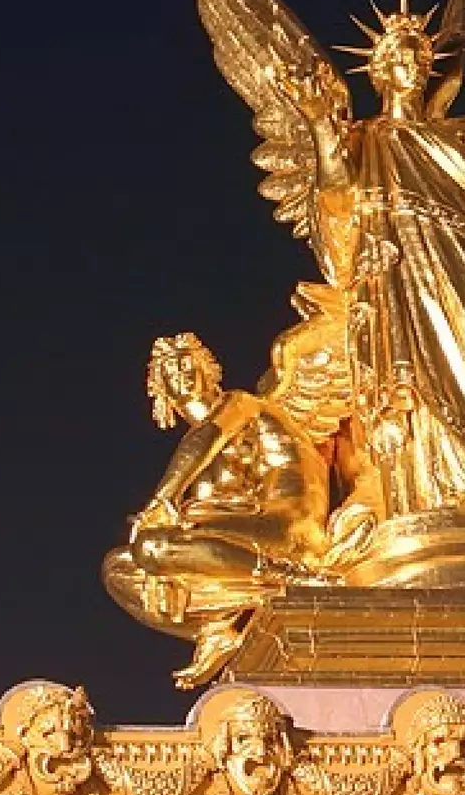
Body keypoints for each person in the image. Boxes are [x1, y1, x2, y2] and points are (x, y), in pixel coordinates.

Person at [166, 0, 465, 562]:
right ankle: (420, 517)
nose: (407, 59)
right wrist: (323, 129)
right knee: (414, 402)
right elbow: (337, 216)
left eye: (417, 50)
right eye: (394, 52)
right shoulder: (362, 140)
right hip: (395, 287)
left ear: (429, 65)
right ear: (378, 69)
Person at [100, 293, 346, 688]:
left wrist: (163, 501)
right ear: (159, 389)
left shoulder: (240, 405)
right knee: (119, 569)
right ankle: (217, 624)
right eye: (169, 370)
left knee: (152, 548)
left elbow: (207, 436)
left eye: (187, 362)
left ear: (210, 369)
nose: (180, 373)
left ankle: (294, 579)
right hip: (248, 537)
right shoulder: (209, 467)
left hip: (287, 527)